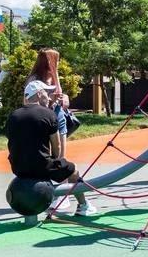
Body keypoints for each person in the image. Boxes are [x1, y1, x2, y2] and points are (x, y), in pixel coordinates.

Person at [6, 80, 97, 215]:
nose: (48, 97)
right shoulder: (48, 114)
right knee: (73, 170)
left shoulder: (13, 116)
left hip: (18, 167)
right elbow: (57, 145)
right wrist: (56, 160)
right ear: (39, 94)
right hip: (41, 166)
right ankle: (83, 206)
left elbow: (11, 141)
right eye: (46, 93)